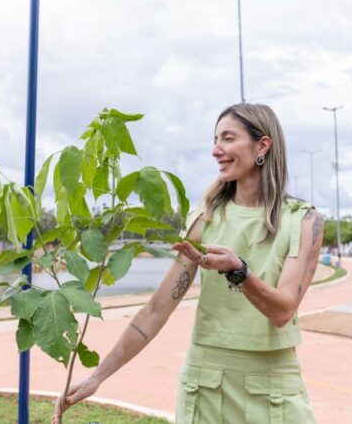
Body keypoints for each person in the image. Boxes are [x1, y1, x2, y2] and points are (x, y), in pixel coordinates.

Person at [53, 103, 323, 423]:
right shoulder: (204, 219)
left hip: (274, 389)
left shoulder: (304, 221)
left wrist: (239, 271)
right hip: (205, 386)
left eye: (227, 138)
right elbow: (156, 310)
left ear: (262, 145)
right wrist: (97, 376)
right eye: (215, 139)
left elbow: (283, 311)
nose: (215, 150)